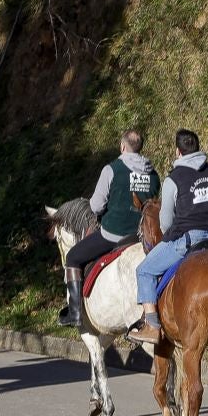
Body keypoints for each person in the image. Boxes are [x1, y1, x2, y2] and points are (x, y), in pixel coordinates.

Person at [131, 129, 208, 345]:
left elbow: (166, 222)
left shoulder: (173, 179)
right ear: (198, 148)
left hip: (188, 240)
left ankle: (152, 326)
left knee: (144, 270)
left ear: (178, 151)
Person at [60, 129, 157, 328]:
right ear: (140, 147)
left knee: (73, 257)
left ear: (122, 146)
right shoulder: (154, 174)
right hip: (142, 237)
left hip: (113, 235)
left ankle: (75, 313)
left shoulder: (111, 169)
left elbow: (96, 206)